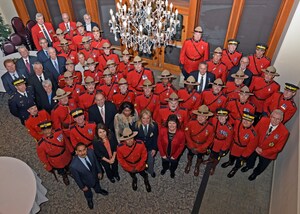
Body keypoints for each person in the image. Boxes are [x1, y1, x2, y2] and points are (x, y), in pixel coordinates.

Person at [241, 110, 289, 181]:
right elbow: (255, 133)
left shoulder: (284, 132)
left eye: (278, 119)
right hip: (256, 146)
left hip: (268, 153)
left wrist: (263, 152)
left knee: (262, 165)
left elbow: (278, 148)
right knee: (250, 158)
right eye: (273, 117)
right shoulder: (263, 120)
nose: (274, 120)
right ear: (270, 116)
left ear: (281, 120)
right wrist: (255, 146)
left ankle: (255, 173)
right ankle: (249, 166)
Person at [70, 142, 108, 209]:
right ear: (76, 152)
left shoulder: (91, 152)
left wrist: (99, 171)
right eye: (80, 151)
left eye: (84, 150)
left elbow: (96, 162)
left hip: (95, 175)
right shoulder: (74, 166)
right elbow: (77, 178)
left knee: (97, 184)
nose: (83, 153)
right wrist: (82, 186)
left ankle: (98, 190)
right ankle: (89, 199)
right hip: (85, 182)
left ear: (87, 149)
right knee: (87, 192)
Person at [221, 112, 258, 178]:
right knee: (231, 156)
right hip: (234, 146)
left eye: (248, 120)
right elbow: (232, 132)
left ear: (252, 122)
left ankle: (235, 168)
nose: (245, 122)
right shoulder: (237, 122)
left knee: (239, 161)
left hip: (242, 150)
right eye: (244, 119)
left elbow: (250, 148)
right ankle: (230, 162)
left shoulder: (253, 134)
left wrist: (244, 156)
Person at [37, 120, 73, 186]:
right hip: (56, 161)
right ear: (42, 131)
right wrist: (48, 167)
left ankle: (70, 172)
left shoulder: (59, 133)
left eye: (48, 128)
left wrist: (71, 150)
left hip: (65, 155)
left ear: (51, 128)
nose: (47, 131)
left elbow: (66, 142)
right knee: (61, 170)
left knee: (69, 165)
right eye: (44, 130)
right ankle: (64, 176)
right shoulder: (41, 144)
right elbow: (43, 158)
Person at [117, 127, 151, 192]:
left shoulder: (140, 144)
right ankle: (134, 179)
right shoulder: (120, 148)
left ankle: (146, 181)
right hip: (129, 165)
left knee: (143, 174)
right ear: (124, 140)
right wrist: (129, 168)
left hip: (140, 164)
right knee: (132, 174)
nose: (130, 141)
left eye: (131, 138)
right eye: (127, 139)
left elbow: (144, 156)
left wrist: (138, 167)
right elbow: (121, 160)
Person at [184, 105, 214, 176]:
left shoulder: (210, 127)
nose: (200, 118)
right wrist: (191, 146)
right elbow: (187, 134)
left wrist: (200, 148)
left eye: (203, 116)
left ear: (207, 117)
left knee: (200, 157)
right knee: (190, 154)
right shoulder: (191, 123)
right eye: (199, 115)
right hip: (191, 144)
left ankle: (197, 166)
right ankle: (189, 163)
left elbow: (210, 140)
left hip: (202, 146)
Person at [205, 108, 233, 175]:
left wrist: (223, 150)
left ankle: (213, 166)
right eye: (219, 116)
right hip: (213, 141)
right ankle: (210, 159)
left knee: (217, 157)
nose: (221, 118)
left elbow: (228, 141)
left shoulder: (229, 128)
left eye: (223, 116)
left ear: (226, 117)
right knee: (212, 153)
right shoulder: (214, 120)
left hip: (221, 144)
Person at [132, 109, 159, 178]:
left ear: (150, 118)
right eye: (143, 118)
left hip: (150, 147)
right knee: (140, 161)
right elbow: (133, 139)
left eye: (148, 118)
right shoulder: (135, 125)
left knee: (151, 161)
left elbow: (155, 138)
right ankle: (142, 170)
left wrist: (154, 148)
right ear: (140, 118)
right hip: (139, 148)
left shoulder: (154, 125)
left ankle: (151, 171)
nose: (146, 120)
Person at [158, 114, 186, 178]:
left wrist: (175, 156)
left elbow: (181, 146)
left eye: (174, 123)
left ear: (177, 124)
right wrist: (162, 154)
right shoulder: (162, 130)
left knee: (174, 164)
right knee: (164, 162)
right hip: (164, 153)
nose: (171, 125)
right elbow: (159, 142)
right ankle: (165, 168)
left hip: (174, 154)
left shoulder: (181, 133)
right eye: (170, 123)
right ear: (167, 123)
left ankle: (172, 171)